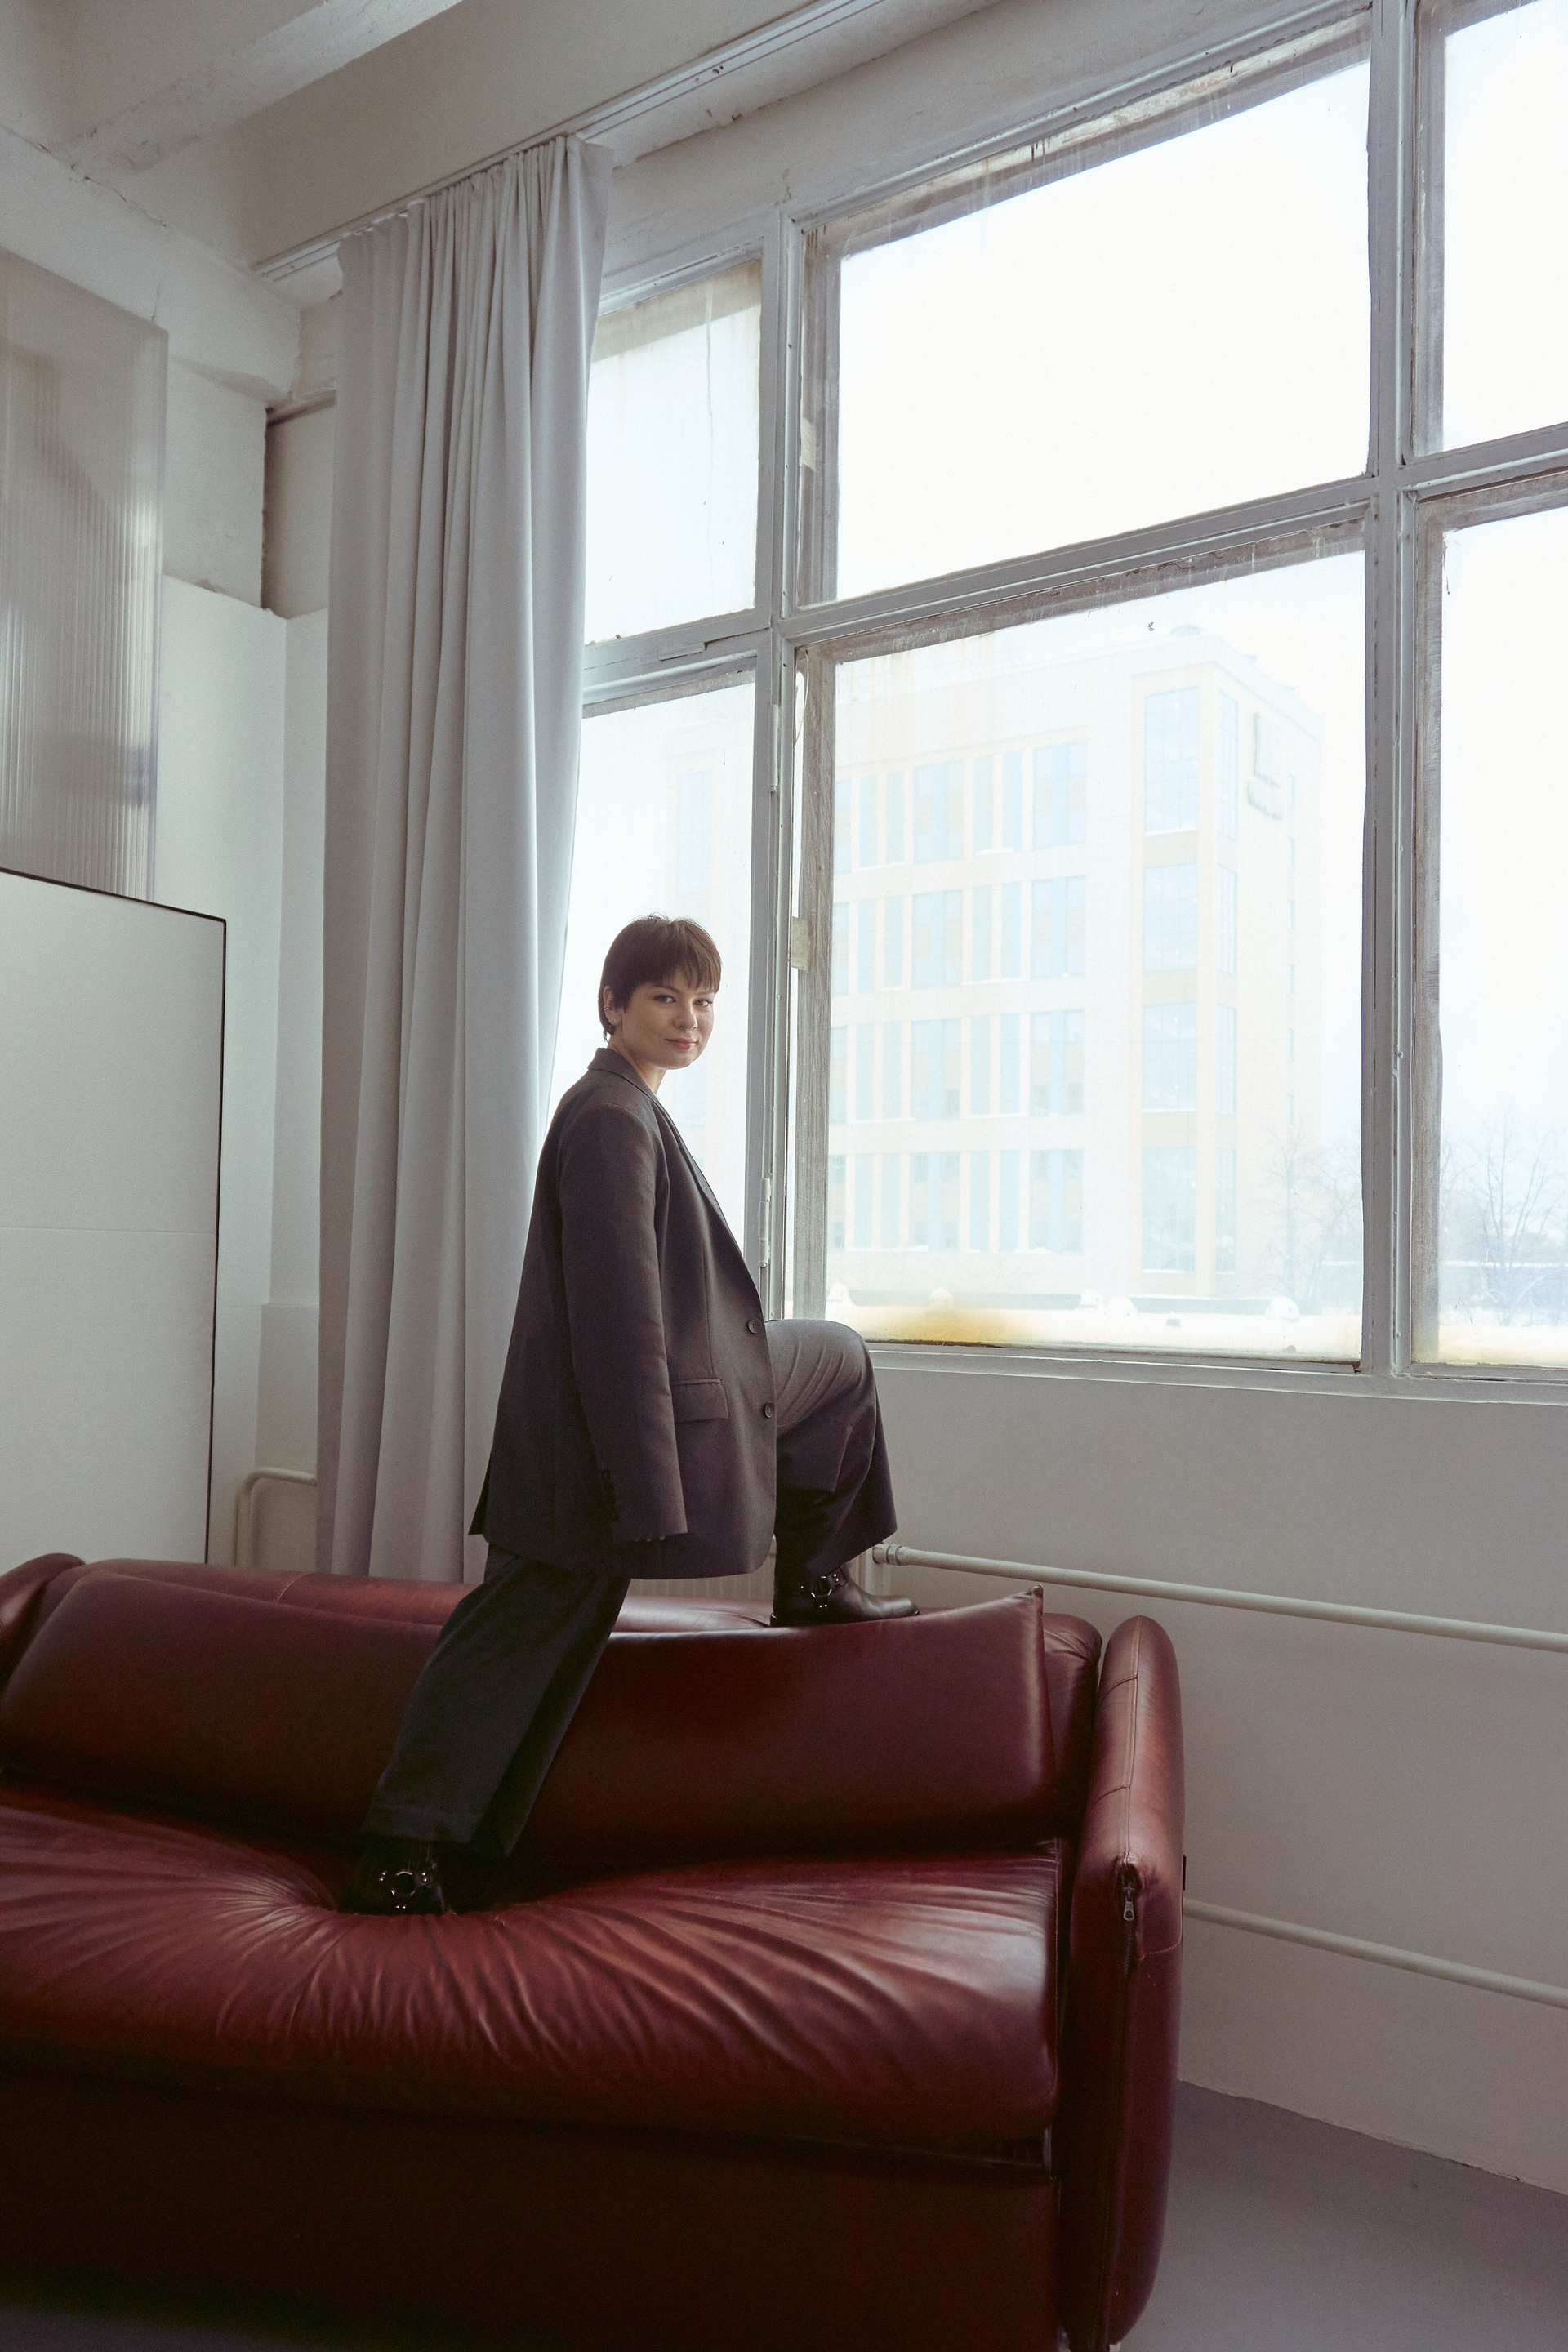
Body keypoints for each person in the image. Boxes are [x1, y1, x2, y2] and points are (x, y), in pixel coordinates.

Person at [341, 914, 911, 1917]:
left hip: (631, 1419)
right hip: (616, 1436)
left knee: (834, 1357)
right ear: (612, 1004)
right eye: (665, 998)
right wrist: (645, 1488)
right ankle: (399, 1850)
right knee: (517, 1634)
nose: (690, 1019)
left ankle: (814, 1581)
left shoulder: (626, 1105)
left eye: (704, 1002)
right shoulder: (611, 1117)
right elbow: (618, 1319)